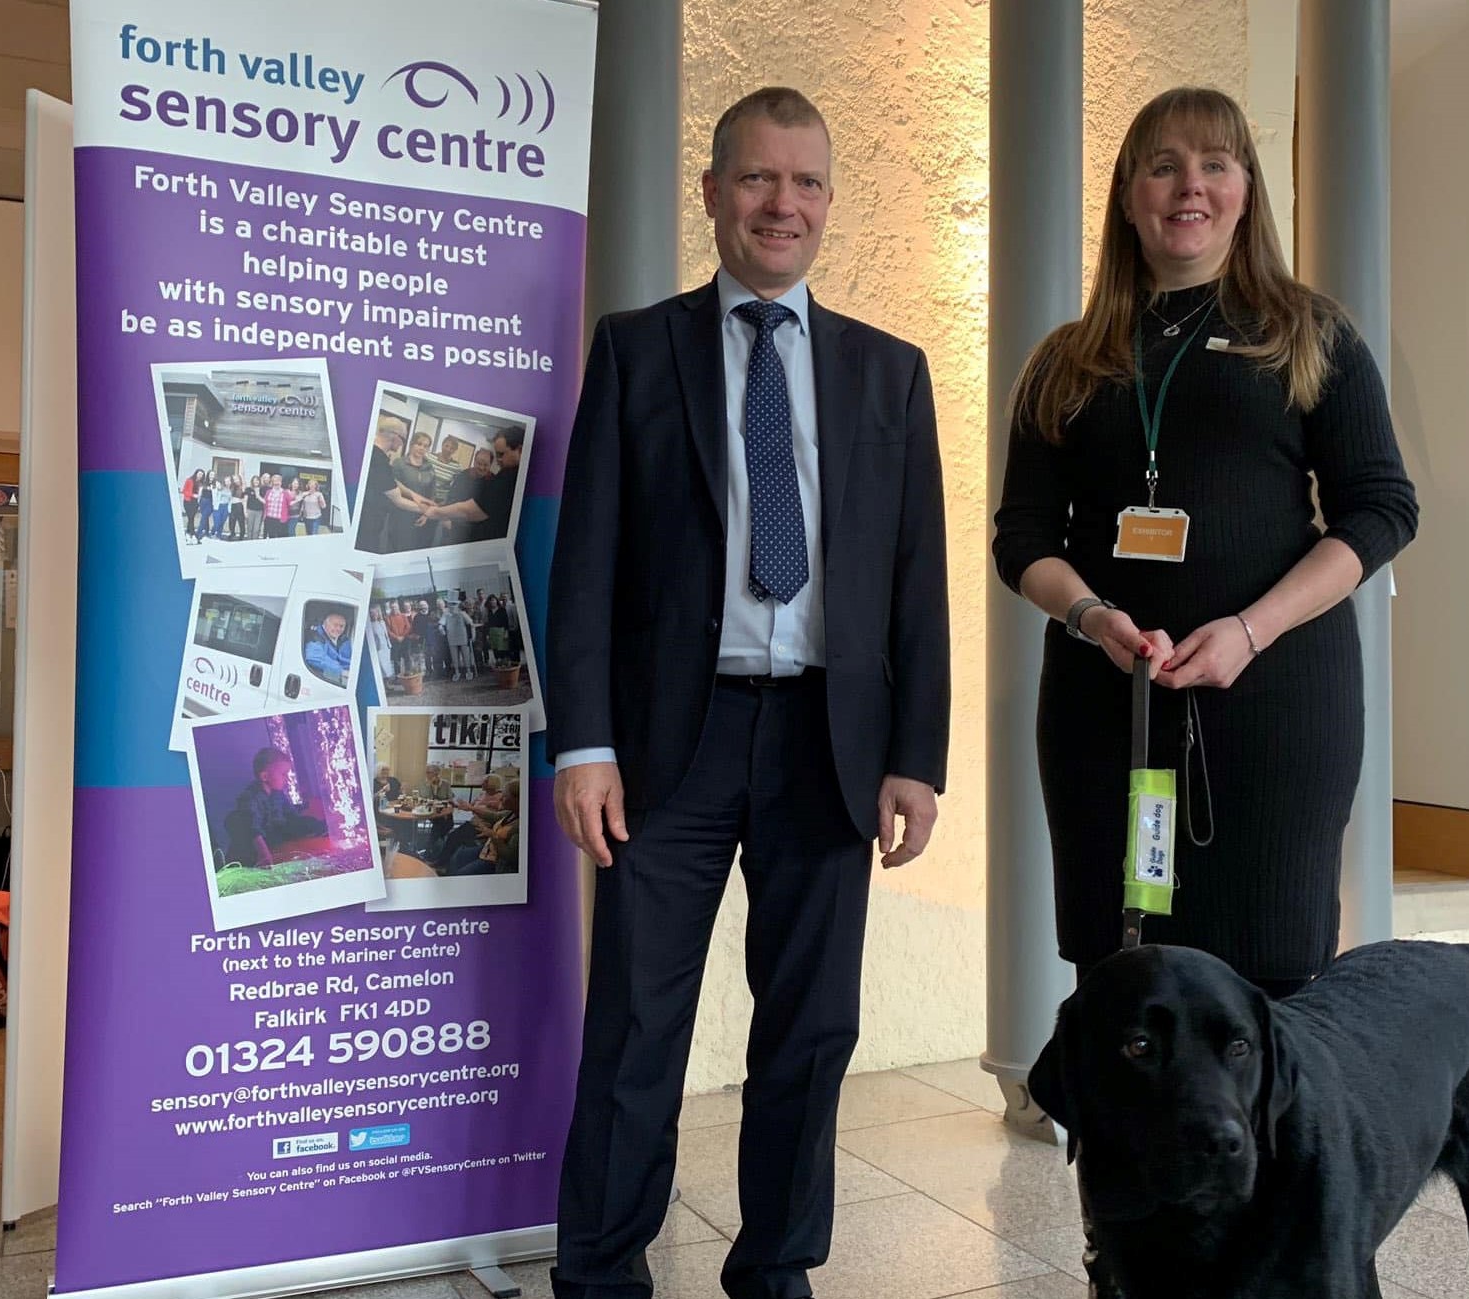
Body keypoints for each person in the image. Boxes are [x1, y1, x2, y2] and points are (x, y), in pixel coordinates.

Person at [991, 85, 1418, 1297]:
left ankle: (1292, 1265)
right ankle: (1120, 1269)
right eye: (1163, 165)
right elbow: (1019, 529)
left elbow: (1380, 508)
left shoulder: (1305, 335)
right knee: (1125, 998)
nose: (1190, 185)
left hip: (1268, 715)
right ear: (1126, 196)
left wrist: (1249, 626)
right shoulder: (1068, 360)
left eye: (1216, 165)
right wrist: (1088, 615)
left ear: (1246, 192)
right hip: (1109, 715)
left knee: (1273, 992)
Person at [546, 86, 949, 1299]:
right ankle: (602, 1274)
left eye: (807, 182)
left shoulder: (890, 373)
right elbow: (585, 568)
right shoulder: (634, 346)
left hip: (830, 742)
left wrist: (916, 757)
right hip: (674, 740)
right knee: (633, 1028)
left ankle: (774, 1270)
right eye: (759, 179)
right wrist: (583, 745)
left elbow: (917, 581)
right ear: (713, 192)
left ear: (828, 201)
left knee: (811, 1032)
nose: (783, 204)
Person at [408, 429, 523, 545]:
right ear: (474, 461)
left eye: (486, 465)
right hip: (448, 519)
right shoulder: (462, 476)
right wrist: (444, 517)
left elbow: (470, 511)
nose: (482, 467)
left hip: (473, 533)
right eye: (479, 463)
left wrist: (438, 512)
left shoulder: (496, 480)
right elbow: (453, 499)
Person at [221, 748, 326, 868]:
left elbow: (291, 817)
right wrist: (264, 855)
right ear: (265, 776)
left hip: (275, 834)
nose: (287, 779)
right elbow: (252, 829)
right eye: (283, 774)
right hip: (258, 845)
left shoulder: (278, 794)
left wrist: (311, 823)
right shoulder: (250, 798)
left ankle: (325, 828)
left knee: (307, 823)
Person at [359, 416, 408, 552]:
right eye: (403, 439)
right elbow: (398, 500)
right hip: (368, 525)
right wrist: (428, 510)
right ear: (396, 436)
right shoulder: (379, 460)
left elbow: (390, 480)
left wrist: (416, 496)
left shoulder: (371, 452)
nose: (402, 444)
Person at [302, 610, 352, 686]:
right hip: (319, 681)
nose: (338, 629)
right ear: (325, 624)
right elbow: (314, 658)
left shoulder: (343, 640)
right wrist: (341, 671)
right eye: (335, 625)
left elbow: (348, 661)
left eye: (341, 626)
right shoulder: (315, 636)